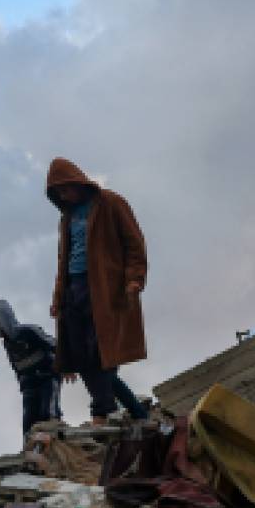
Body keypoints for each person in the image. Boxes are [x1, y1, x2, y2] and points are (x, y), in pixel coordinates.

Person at [46, 158, 149, 424]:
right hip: (73, 288)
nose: (63, 195)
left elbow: (134, 244)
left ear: (77, 182)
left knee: (101, 351)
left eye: (65, 189)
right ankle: (126, 411)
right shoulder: (67, 217)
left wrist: (135, 279)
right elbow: (62, 259)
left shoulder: (111, 203)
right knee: (79, 354)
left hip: (105, 288)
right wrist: (58, 296)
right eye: (58, 193)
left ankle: (102, 410)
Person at [0, 300, 63, 435]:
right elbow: (16, 367)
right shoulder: (7, 344)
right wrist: (22, 384)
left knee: (48, 412)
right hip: (28, 385)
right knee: (28, 421)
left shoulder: (28, 331)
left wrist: (66, 366)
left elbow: (54, 345)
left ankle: (53, 444)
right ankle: (30, 449)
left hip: (47, 377)